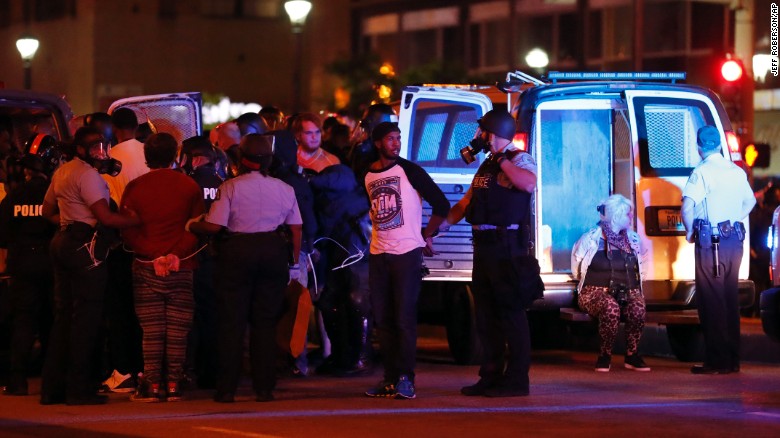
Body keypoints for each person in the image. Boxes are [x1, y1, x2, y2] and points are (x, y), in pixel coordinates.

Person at [189, 134, 302, 403]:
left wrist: (192, 224)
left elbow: (214, 226)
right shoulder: (285, 188)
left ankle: (227, 389)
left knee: (232, 322)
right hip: (273, 251)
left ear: (241, 158)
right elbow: (296, 228)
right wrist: (294, 263)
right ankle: (264, 388)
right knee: (265, 323)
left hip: (237, 252)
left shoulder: (230, 187)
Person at [441, 109, 543, 398]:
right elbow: (467, 202)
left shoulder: (518, 159)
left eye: (483, 132)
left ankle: (517, 380)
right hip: (484, 246)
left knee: (511, 314)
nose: (478, 137)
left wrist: (501, 159)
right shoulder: (486, 164)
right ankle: (490, 376)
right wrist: (439, 228)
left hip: (507, 246)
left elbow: (528, 183)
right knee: (486, 316)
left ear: (494, 132)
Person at [40, 126, 138, 405]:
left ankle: (52, 389)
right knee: (86, 318)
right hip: (85, 247)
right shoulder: (88, 175)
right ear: (81, 149)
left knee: (64, 317)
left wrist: (68, 224)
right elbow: (106, 218)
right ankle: (78, 389)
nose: (101, 153)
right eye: (95, 147)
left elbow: (47, 211)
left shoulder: (63, 171)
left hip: (62, 241)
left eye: (103, 147)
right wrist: (136, 220)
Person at [363, 122, 450, 399]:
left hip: (407, 254)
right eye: (390, 139)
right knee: (383, 319)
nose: (396, 143)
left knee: (404, 318)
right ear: (378, 143)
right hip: (379, 253)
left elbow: (441, 204)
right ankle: (389, 379)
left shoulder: (409, 170)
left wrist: (426, 234)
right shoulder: (367, 174)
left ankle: (406, 379)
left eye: (398, 138)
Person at [120, 132, 204, 402]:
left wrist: (155, 255)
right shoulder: (189, 186)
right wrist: (175, 254)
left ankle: (152, 384)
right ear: (175, 155)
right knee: (178, 328)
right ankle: (174, 384)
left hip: (147, 265)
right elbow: (195, 227)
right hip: (182, 264)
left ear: (147, 157)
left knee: (152, 329)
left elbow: (128, 230)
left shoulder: (134, 188)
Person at [681, 125, 756, 375]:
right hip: (734, 240)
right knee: (729, 299)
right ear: (720, 145)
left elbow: (687, 207)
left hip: (711, 243)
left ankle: (717, 361)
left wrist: (690, 232)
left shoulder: (702, 171)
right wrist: (733, 218)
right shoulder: (736, 171)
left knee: (711, 300)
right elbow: (750, 201)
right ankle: (732, 360)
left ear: (699, 147)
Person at [0, 134, 60, 396]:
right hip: (51, 264)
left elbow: (2, 234)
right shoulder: (55, 194)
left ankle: (17, 380)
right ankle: (51, 380)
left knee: (23, 320)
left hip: (22, 265)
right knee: (51, 321)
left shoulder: (13, 197)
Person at [99, 107, 149, 394]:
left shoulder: (110, 159)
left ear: (114, 129)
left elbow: (107, 203)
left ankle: (123, 370)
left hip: (122, 241)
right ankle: (145, 367)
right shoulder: (149, 153)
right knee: (147, 311)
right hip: (152, 242)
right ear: (138, 126)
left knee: (120, 310)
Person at [571, 194, 650, 372]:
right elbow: (576, 264)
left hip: (627, 291)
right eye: (628, 214)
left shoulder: (634, 239)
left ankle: (632, 355)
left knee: (638, 308)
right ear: (616, 216)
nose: (631, 217)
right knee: (610, 307)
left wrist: (634, 289)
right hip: (594, 292)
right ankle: (605, 355)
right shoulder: (591, 238)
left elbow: (643, 263)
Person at [179, 135, 224, 388]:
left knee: (190, 315)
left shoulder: (186, 184)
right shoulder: (223, 183)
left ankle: (189, 368)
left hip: (192, 256)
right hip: (218, 258)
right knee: (214, 315)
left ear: (193, 159)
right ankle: (212, 371)